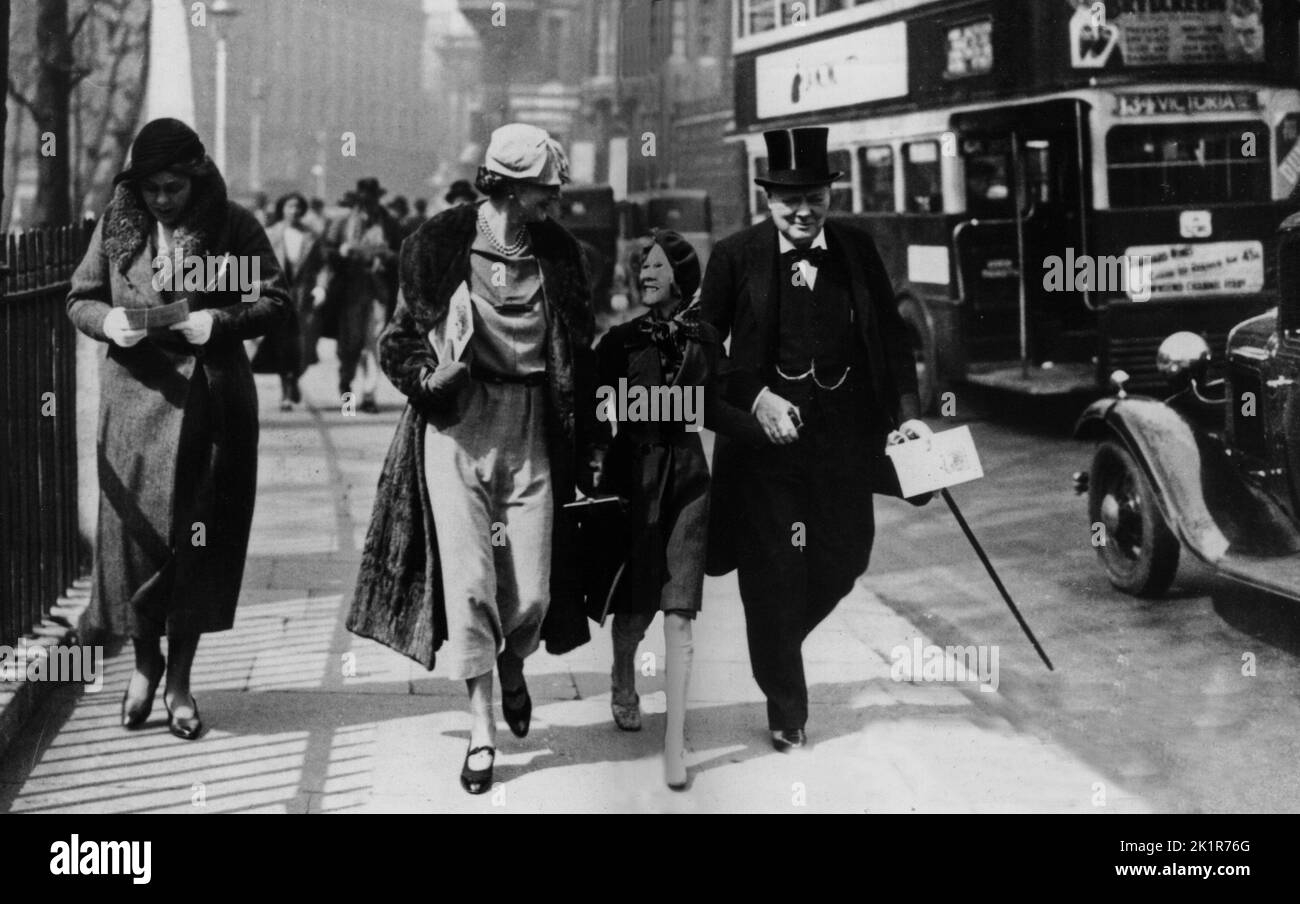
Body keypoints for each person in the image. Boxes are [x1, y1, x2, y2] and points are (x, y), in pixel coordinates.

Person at [347, 123, 596, 795]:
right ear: (513, 188)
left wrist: (593, 440)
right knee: (467, 585)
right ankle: (483, 727)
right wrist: (427, 381)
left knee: (535, 589)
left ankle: (514, 663)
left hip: (533, 424)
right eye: (547, 190)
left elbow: (583, 351)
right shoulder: (437, 246)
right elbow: (397, 340)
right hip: (456, 427)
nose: (556, 201)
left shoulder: (562, 256)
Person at [701, 126, 933, 753]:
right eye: (787, 199)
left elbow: (890, 340)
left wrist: (908, 415)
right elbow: (699, 348)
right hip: (764, 452)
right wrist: (754, 397)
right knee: (775, 570)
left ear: (830, 195)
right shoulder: (734, 255)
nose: (802, 211)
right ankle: (787, 706)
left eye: (814, 198)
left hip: (844, 444)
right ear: (766, 198)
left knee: (847, 555)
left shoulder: (858, 249)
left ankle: (775, 647)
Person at [66, 117, 290, 740]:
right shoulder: (118, 225)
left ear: (195, 178)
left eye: (173, 188)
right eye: (151, 189)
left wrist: (218, 321)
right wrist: (109, 323)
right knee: (133, 542)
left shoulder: (234, 226)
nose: (163, 201)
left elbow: (276, 300)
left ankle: (181, 683)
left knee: (195, 540)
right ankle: (144, 664)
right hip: (133, 407)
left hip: (208, 410)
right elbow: (79, 297)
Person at [590, 229, 758, 789]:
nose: (645, 276)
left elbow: (718, 408)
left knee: (681, 612)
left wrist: (769, 427)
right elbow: (591, 414)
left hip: (688, 484)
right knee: (635, 614)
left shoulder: (705, 340)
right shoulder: (617, 343)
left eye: (657, 267)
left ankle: (674, 738)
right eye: (641, 268)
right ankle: (622, 677)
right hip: (635, 486)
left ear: (681, 277)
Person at [325, 177, 403, 413]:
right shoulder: (341, 223)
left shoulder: (389, 224)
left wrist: (386, 257)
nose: (367, 205)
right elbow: (326, 251)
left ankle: (369, 395)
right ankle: (346, 386)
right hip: (349, 293)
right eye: (363, 201)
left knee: (375, 343)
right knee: (350, 346)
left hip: (378, 292)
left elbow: (402, 253)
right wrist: (341, 252)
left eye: (371, 200)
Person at [253, 192, 330, 409]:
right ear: (282, 209)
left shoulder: (312, 236)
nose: (294, 211)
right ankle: (286, 389)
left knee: (302, 345)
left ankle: (294, 378)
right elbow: (255, 263)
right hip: (277, 296)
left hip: (304, 298)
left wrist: (321, 288)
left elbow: (323, 265)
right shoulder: (269, 234)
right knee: (280, 344)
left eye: (298, 207)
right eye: (289, 207)